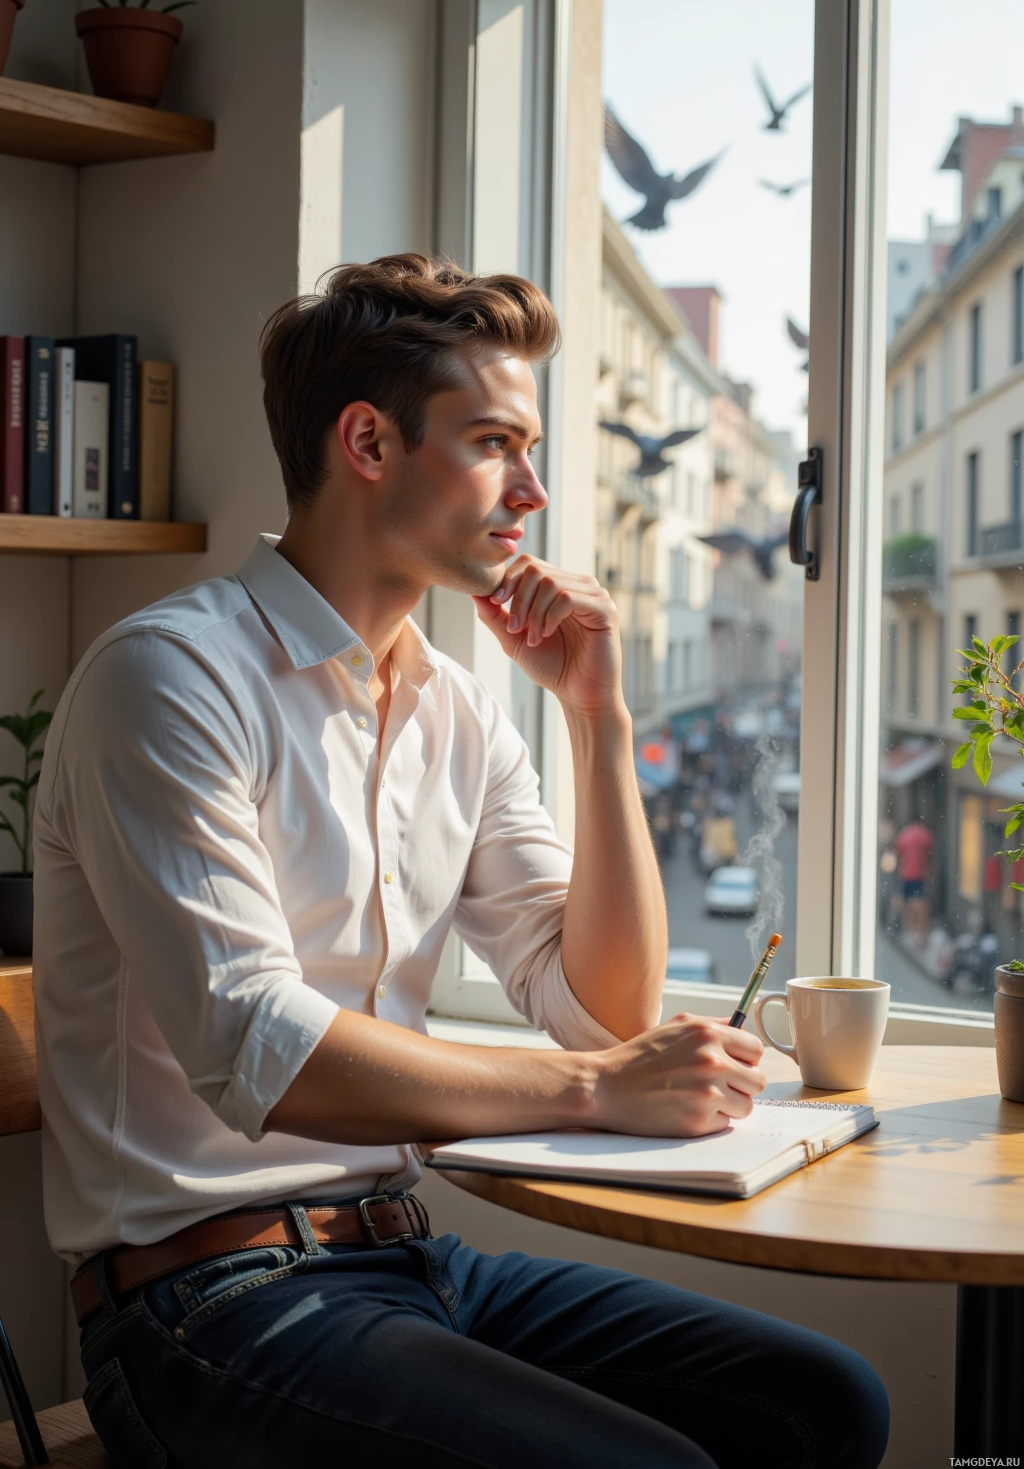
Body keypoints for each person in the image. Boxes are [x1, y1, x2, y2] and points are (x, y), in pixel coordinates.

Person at [32, 255, 888, 1469]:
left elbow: (600, 1008)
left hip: (407, 1258)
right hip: (203, 1307)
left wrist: (599, 723)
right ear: (369, 442)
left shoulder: (459, 711)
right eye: (496, 443)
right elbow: (257, 1047)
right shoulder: (168, 677)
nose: (531, 492)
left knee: (828, 1400)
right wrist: (598, 1092)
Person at [895, 816, 935, 947]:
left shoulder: (904, 834)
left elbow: (899, 854)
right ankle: (920, 933)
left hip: (906, 874)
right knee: (919, 903)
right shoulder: (924, 834)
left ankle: (909, 932)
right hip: (919, 874)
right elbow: (929, 853)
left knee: (907, 903)